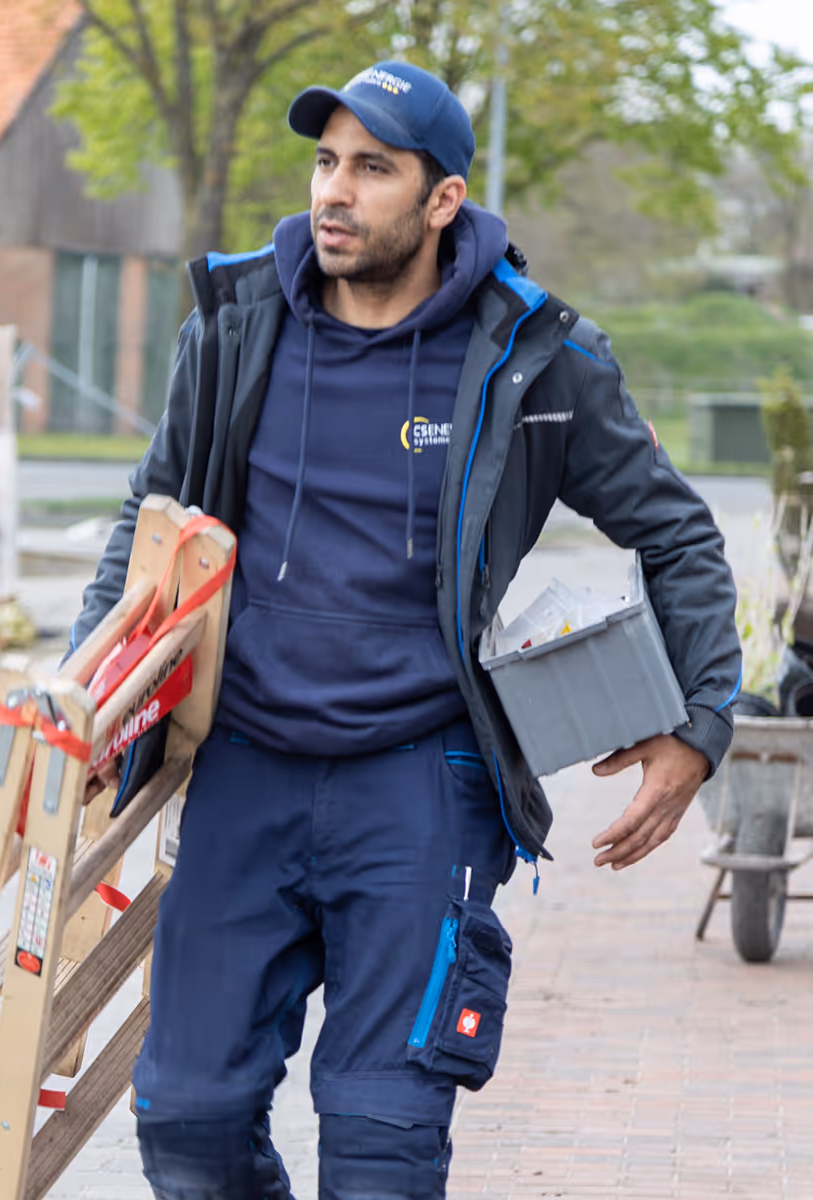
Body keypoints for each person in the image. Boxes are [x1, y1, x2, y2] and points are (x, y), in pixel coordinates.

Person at [69, 60, 741, 1198]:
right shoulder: (237, 327)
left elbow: (677, 535)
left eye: (372, 168)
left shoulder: (534, 355)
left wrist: (701, 726)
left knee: (382, 1149)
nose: (335, 190)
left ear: (444, 200)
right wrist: (87, 698)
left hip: (419, 789)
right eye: (326, 162)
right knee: (187, 1123)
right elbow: (148, 531)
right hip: (243, 773)